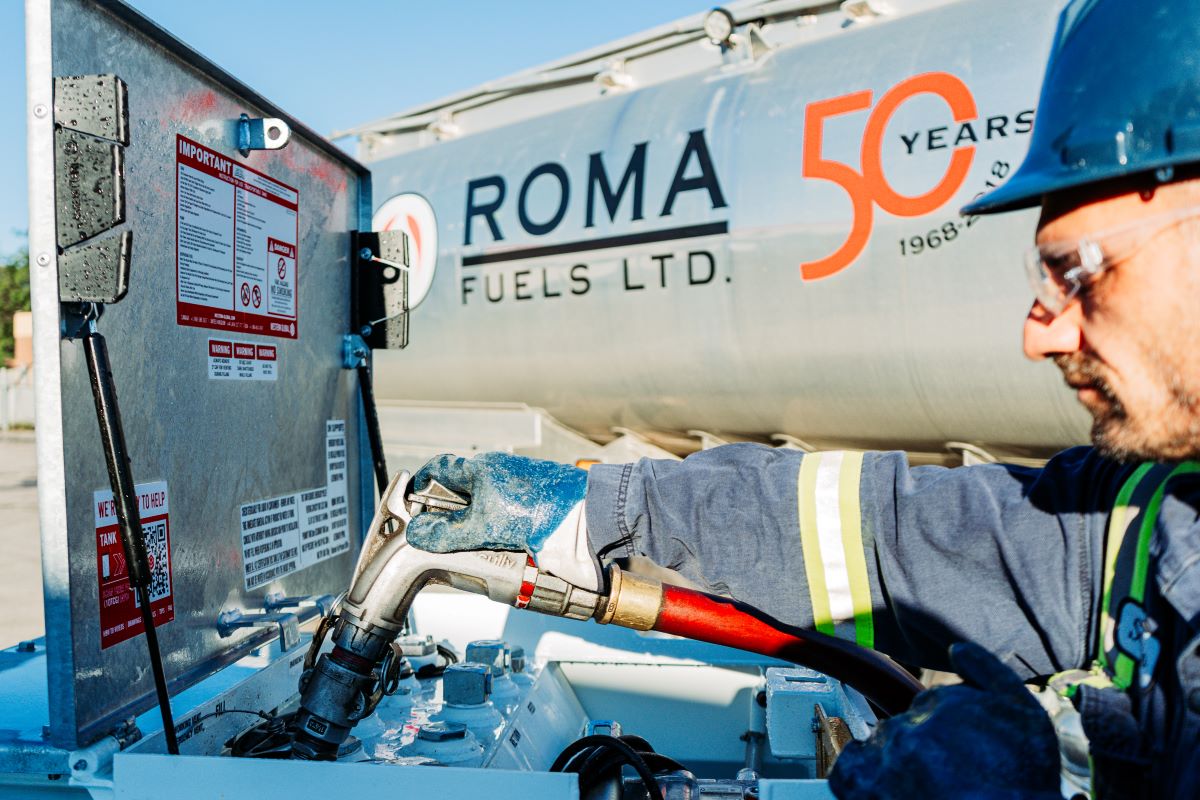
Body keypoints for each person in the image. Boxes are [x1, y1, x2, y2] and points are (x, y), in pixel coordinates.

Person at [405, 1, 1200, 796]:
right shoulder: (1145, 506)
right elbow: (894, 537)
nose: (1041, 331)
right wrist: (600, 509)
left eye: (1078, 270)